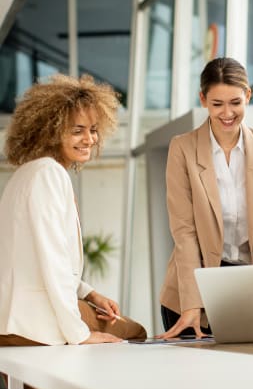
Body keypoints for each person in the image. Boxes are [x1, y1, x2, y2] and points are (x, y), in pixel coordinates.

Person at [0, 74, 146, 351]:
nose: (89, 139)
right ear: (50, 130)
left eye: (93, 129)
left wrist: (89, 293)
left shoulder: (25, 174)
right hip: (34, 323)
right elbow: (53, 261)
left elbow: (35, 258)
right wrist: (79, 333)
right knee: (135, 332)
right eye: (77, 130)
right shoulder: (48, 174)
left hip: (11, 320)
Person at [158, 57, 253, 338]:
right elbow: (184, 232)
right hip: (193, 290)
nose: (228, 113)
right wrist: (192, 303)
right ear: (203, 99)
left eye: (235, 102)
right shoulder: (183, 148)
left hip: (246, 287)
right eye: (217, 104)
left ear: (248, 96)